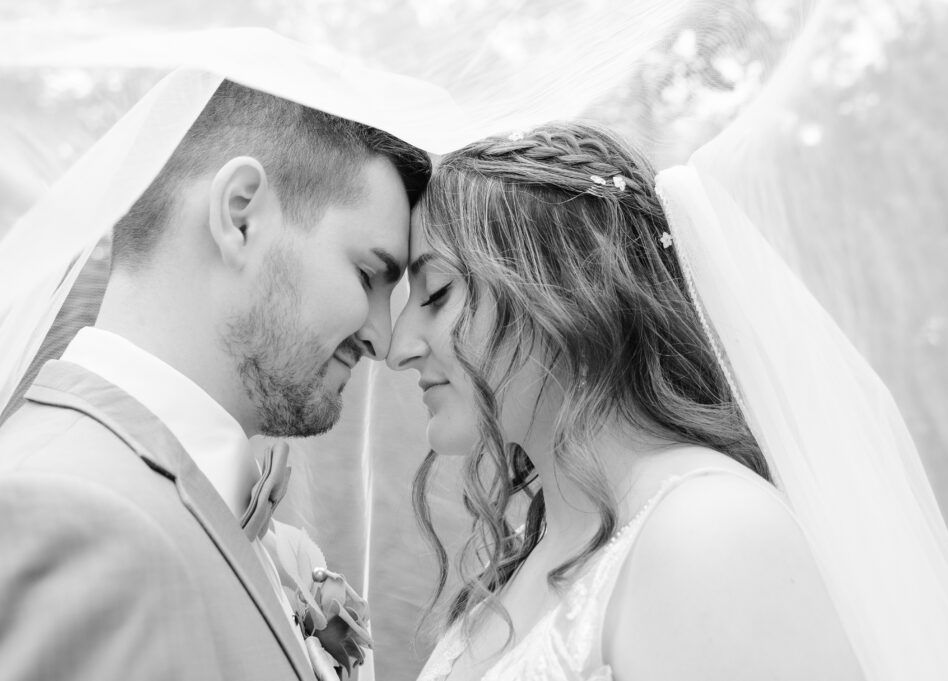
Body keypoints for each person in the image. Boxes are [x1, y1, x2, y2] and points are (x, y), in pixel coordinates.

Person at [388, 121, 865, 680]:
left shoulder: (712, 533)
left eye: (438, 293)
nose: (399, 347)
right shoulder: (520, 563)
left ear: (565, 287)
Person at [0, 79, 429, 680]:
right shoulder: (63, 517)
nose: (383, 340)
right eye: (367, 275)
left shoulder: (224, 518)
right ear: (240, 215)